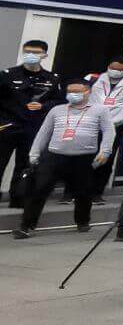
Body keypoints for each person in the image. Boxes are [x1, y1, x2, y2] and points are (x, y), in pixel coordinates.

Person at [17, 79, 115, 236]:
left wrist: (105, 151)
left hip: (83, 157)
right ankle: (26, 226)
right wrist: (34, 153)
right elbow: (44, 132)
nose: (73, 94)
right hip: (54, 156)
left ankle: (82, 221)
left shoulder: (100, 110)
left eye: (77, 91)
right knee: (38, 190)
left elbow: (109, 131)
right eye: (70, 91)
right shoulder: (57, 110)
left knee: (84, 192)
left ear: (87, 92)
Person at [0, 39, 60, 205]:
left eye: (35, 52)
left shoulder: (51, 78)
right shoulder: (7, 75)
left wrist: (43, 105)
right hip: (7, 126)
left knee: (25, 164)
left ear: (44, 55)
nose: (30, 56)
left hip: (33, 127)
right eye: (27, 52)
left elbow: (58, 101)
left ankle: (18, 199)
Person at [86, 54, 123, 189]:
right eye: (113, 68)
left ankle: (96, 192)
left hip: (114, 126)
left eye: (120, 69)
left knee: (106, 159)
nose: (115, 71)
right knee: (83, 157)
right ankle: (72, 192)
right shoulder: (92, 79)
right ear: (108, 66)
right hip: (89, 124)